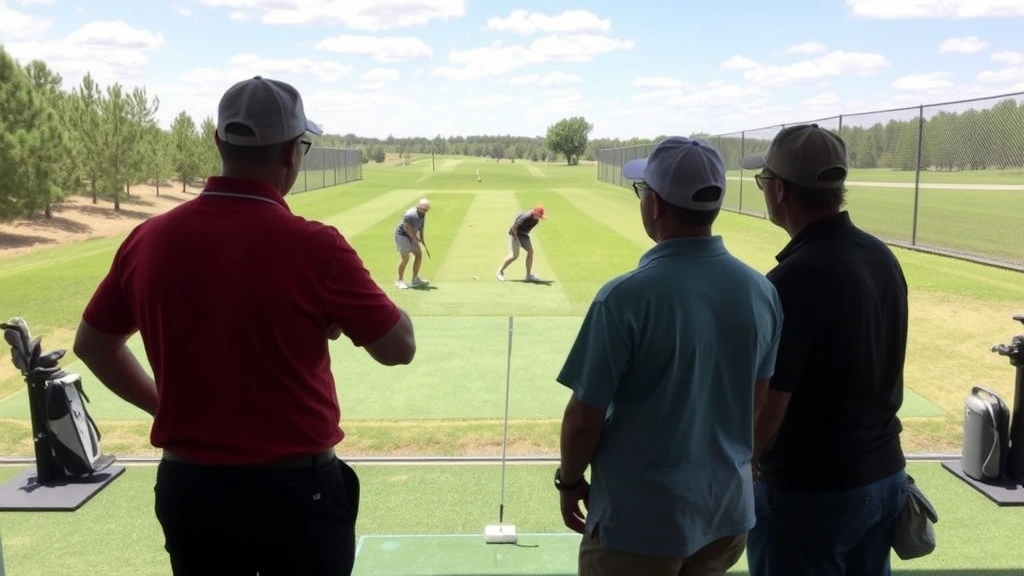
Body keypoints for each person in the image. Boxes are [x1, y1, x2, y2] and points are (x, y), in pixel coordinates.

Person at [72, 75, 416, 576]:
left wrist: (162, 404)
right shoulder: (317, 247)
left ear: (218, 143)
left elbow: (94, 345)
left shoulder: (148, 240)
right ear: (292, 153)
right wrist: (342, 311)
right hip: (298, 496)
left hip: (191, 489)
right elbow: (398, 347)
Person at [554, 136, 783, 576]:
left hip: (639, 527)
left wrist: (568, 482)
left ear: (654, 204)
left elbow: (584, 420)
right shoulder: (762, 291)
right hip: (725, 517)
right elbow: (757, 402)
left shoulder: (622, 298)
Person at [741, 124, 909, 576]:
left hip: (811, 492)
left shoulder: (790, 282)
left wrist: (744, 464)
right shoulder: (881, 257)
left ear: (778, 191)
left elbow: (769, 406)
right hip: (885, 477)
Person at [496, 205, 546, 282]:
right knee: (514, 255)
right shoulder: (525, 217)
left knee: (530, 251)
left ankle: (528, 275)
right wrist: (517, 239)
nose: (539, 217)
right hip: (515, 234)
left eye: (540, 216)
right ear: (534, 212)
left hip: (524, 235)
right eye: (538, 215)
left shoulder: (536, 219)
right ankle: (500, 272)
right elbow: (514, 228)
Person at [394, 198, 430, 289]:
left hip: (412, 234)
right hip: (402, 235)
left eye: (426, 209)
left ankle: (415, 279)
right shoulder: (410, 214)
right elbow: (406, 228)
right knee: (405, 258)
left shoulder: (423, 214)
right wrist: (415, 238)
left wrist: (422, 237)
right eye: (423, 209)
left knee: (419, 255)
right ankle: (399, 280)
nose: (424, 211)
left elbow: (421, 226)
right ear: (418, 206)